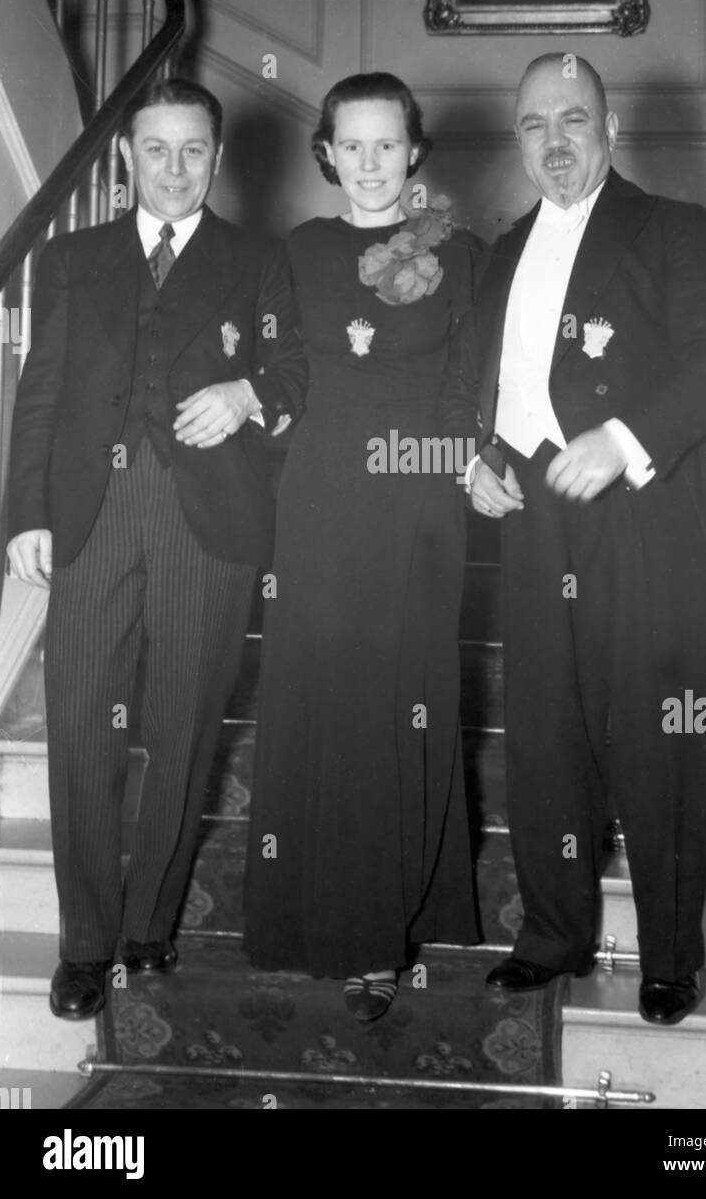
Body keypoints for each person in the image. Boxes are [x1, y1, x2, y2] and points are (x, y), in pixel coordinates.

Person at [448, 53, 706, 1026]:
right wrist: (481, 458)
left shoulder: (671, 229)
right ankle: (553, 934)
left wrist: (624, 442)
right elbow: (493, 391)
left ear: (610, 130)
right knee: (543, 736)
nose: (554, 141)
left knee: (657, 745)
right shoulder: (500, 252)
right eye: (534, 125)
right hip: (537, 522)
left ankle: (670, 957)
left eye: (572, 119)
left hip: (646, 523)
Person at [6, 77, 307, 1021]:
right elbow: (40, 392)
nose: (174, 169)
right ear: (126, 158)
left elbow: (293, 369)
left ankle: (150, 925)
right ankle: (85, 946)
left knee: (181, 731)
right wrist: (23, 514)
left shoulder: (259, 260)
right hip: (91, 516)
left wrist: (247, 397)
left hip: (205, 524)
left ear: (217, 160)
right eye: (156, 150)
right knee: (81, 735)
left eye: (192, 151)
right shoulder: (70, 258)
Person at [244, 72, 483, 1021]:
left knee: (398, 708)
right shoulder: (298, 250)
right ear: (328, 155)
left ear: (414, 151)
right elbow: (284, 371)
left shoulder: (460, 253)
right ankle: (306, 918)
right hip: (317, 500)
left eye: (389, 145)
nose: (372, 164)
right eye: (353, 146)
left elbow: (473, 379)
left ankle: (376, 940)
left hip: (418, 498)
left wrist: (467, 462)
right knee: (320, 702)